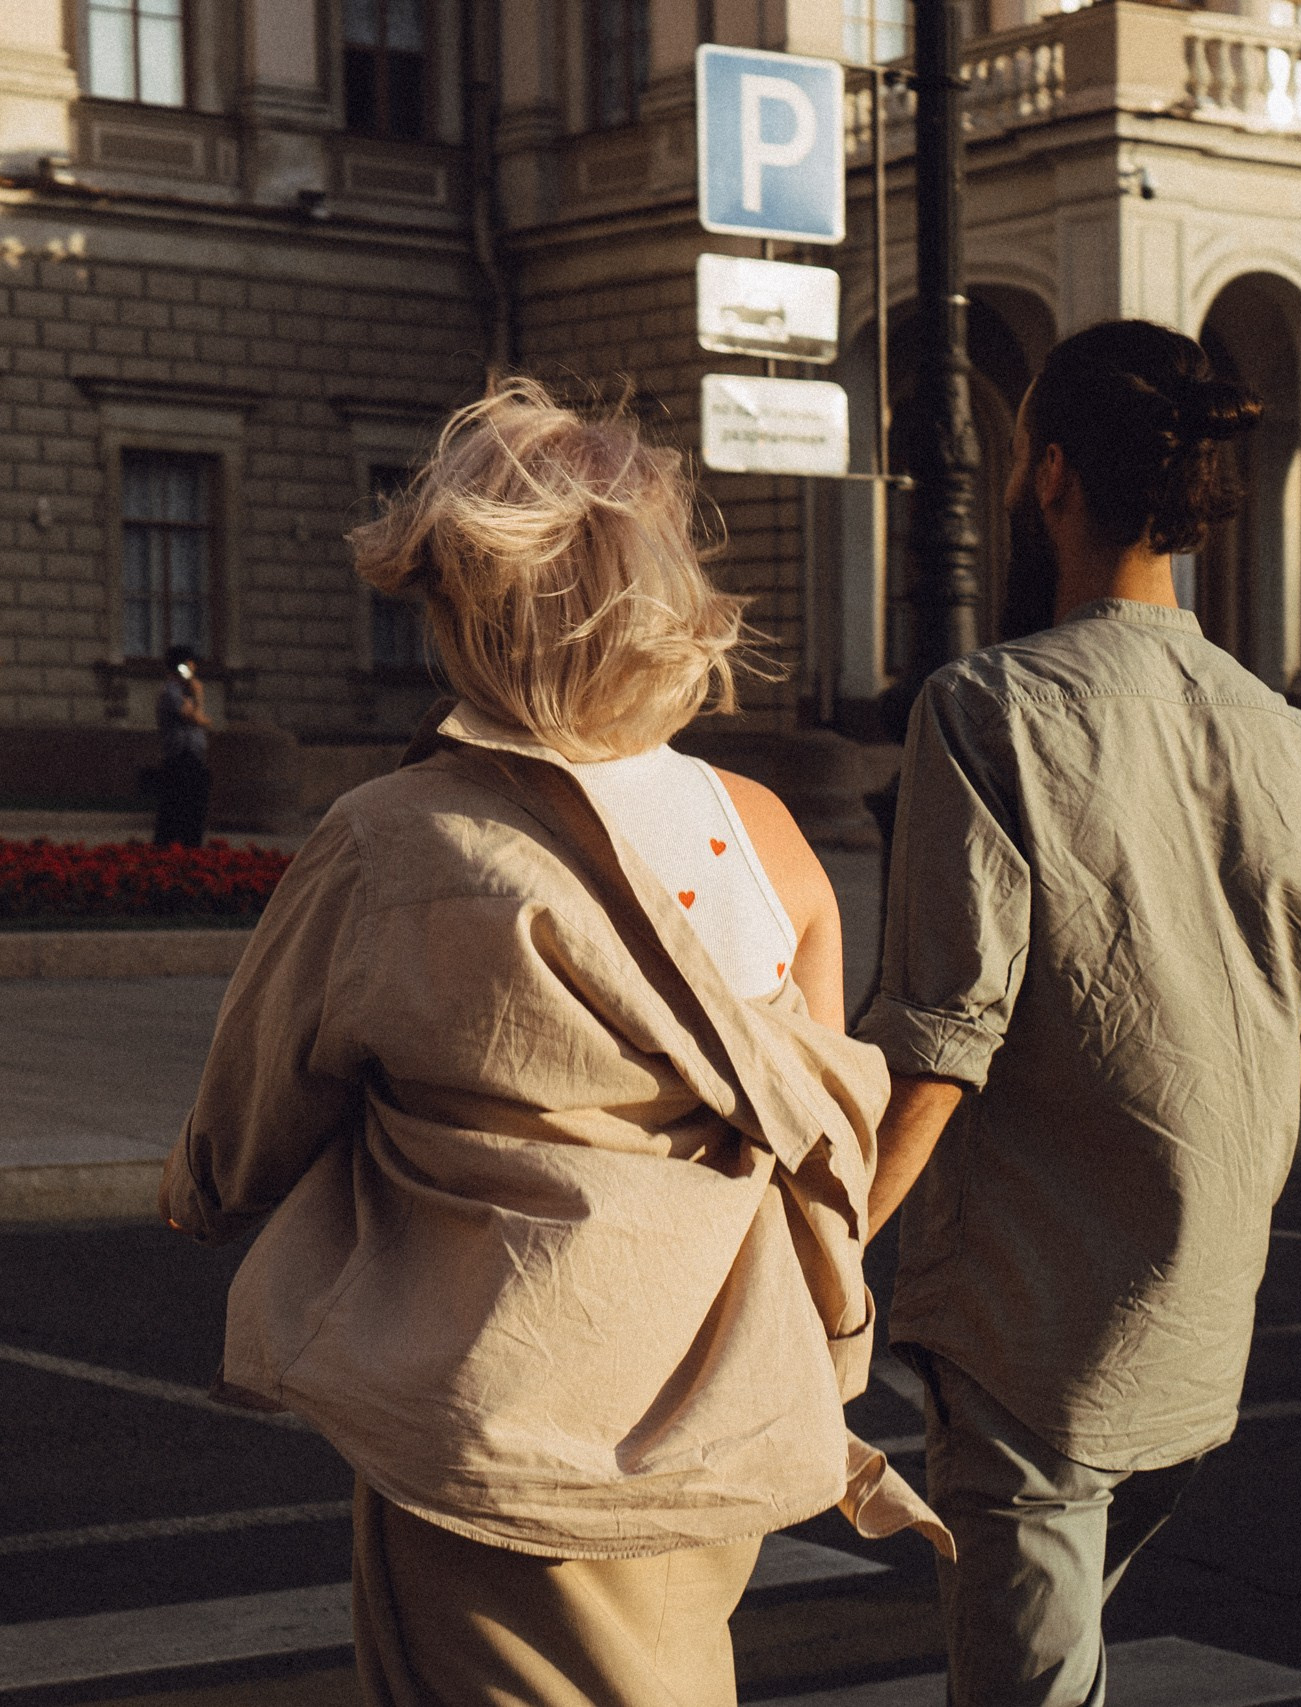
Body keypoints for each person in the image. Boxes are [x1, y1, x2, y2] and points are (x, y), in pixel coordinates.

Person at [158, 379, 944, 1707]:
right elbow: (808, 1145)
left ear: (464, 613)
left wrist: (202, 1198)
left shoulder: (391, 835)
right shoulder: (768, 833)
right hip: (719, 1415)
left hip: (498, 1423)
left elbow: (243, 1131)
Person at [855, 320, 1301, 1707]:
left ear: (1050, 474)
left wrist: (799, 1266)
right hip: (1193, 1359)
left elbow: (941, 1042)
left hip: (1029, 1350)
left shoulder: (988, 711)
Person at [152, 644, 212, 847]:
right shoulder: (171, 691)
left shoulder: (183, 692)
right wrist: (199, 696)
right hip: (180, 757)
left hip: (192, 757)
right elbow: (195, 718)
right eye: (189, 664)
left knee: (192, 812)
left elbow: (202, 719)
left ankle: (187, 848)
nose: (193, 668)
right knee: (177, 811)